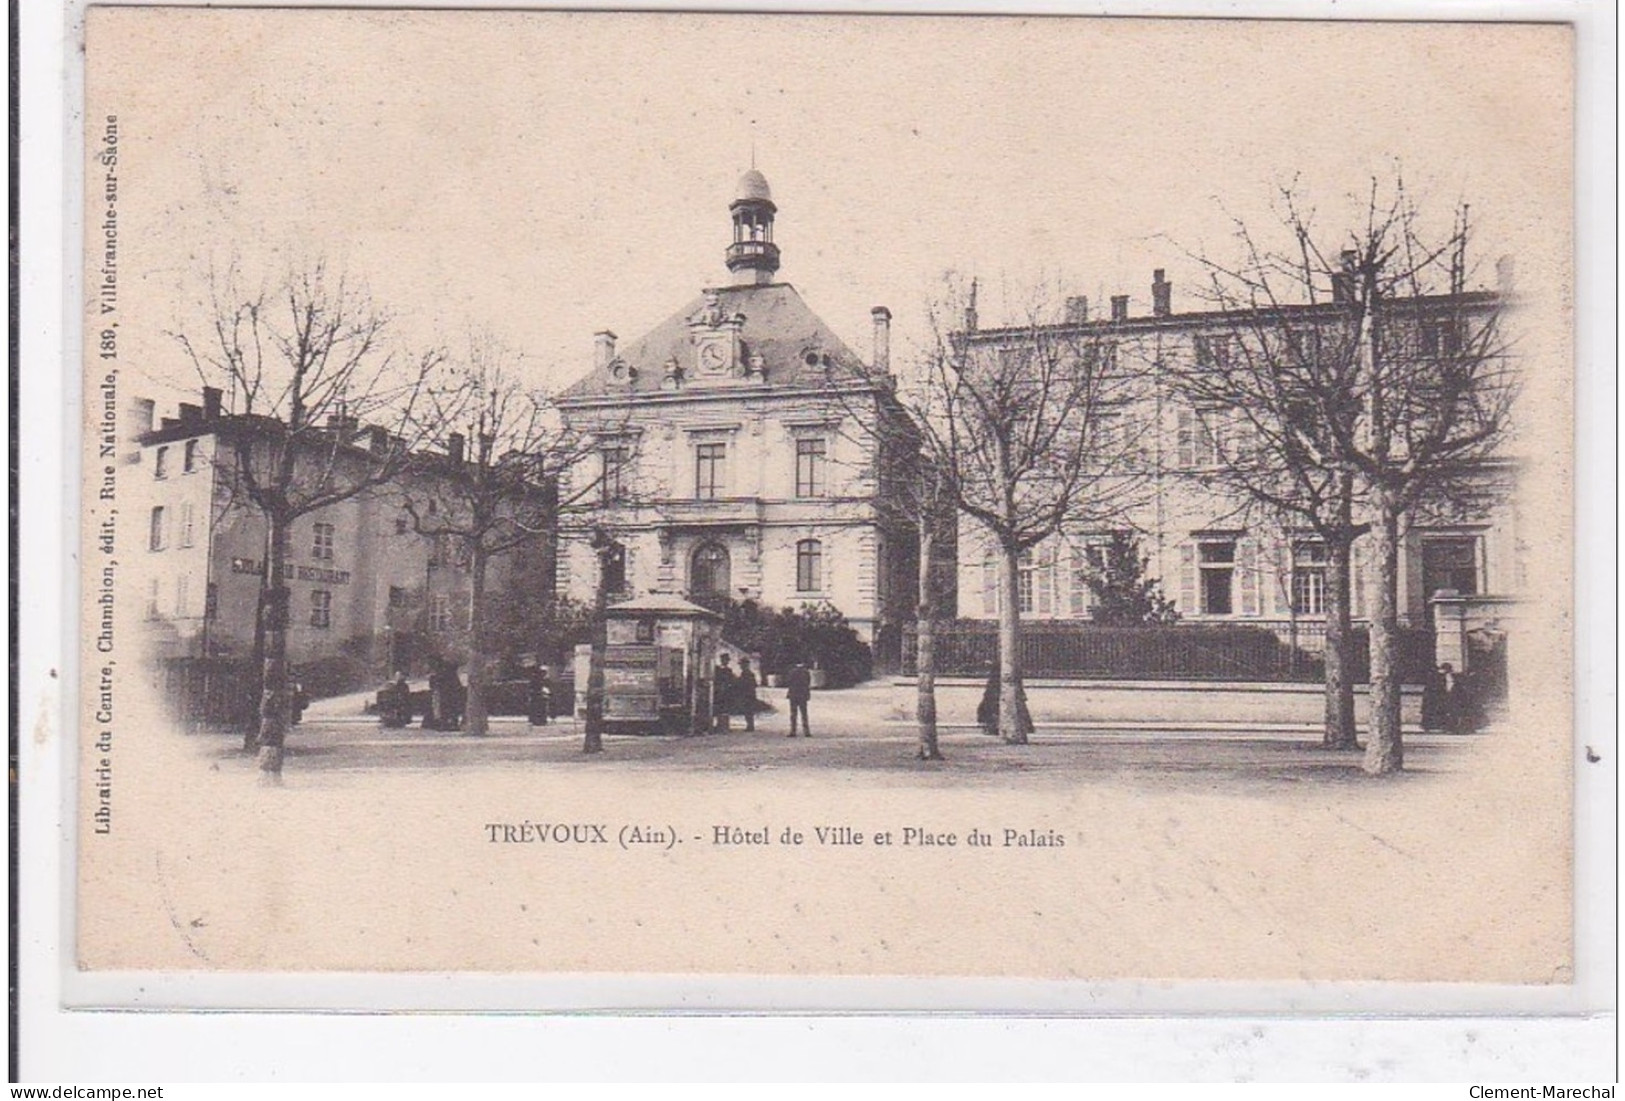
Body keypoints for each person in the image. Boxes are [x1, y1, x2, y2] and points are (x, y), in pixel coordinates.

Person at [785, 661, 812, 738]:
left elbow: (788, 682)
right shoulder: (806, 672)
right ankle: (806, 731)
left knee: (793, 713)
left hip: (793, 694)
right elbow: (808, 683)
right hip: (803, 695)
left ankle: (793, 730)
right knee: (804, 713)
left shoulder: (792, 672)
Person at [712, 653, 736, 732]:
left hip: (726, 692)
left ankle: (724, 725)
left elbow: (731, 680)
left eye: (726, 660)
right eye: (723, 659)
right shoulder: (717, 669)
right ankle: (719, 725)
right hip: (718, 691)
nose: (725, 661)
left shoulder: (729, 670)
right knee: (718, 708)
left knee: (725, 708)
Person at [735, 657, 759, 732]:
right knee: (748, 711)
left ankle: (750, 726)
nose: (741, 666)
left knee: (748, 710)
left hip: (748, 695)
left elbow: (746, 684)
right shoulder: (747, 673)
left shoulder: (748, 674)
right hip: (749, 694)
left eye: (742, 664)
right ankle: (750, 725)